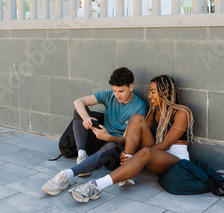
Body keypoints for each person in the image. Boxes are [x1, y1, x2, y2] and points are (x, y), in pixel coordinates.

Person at [68, 74, 194, 203]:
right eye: (149, 92)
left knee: (145, 152)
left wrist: (136, 157)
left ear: (164, 92)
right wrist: (127, 153)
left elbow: (166, 145)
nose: (149, 96)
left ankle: (96, 185)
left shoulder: (182, 112)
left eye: (153, 92)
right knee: (137, 118)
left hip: (176, 162)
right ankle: (126, 169)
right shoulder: (154, 112)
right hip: (155, 157)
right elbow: (134, 137)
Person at [42, 67, 147, 196]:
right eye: (115, 91)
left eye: (121, 91)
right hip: (102, 138)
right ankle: (82, 155)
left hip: (116, 150)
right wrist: (86, 118)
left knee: (111, 145)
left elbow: (127, 140)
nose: (117, 95)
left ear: (131, 87)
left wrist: (109, 137)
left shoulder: (139, 106)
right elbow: (78, 101)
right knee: (80, 112)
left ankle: (66, 175)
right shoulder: (109, 95)